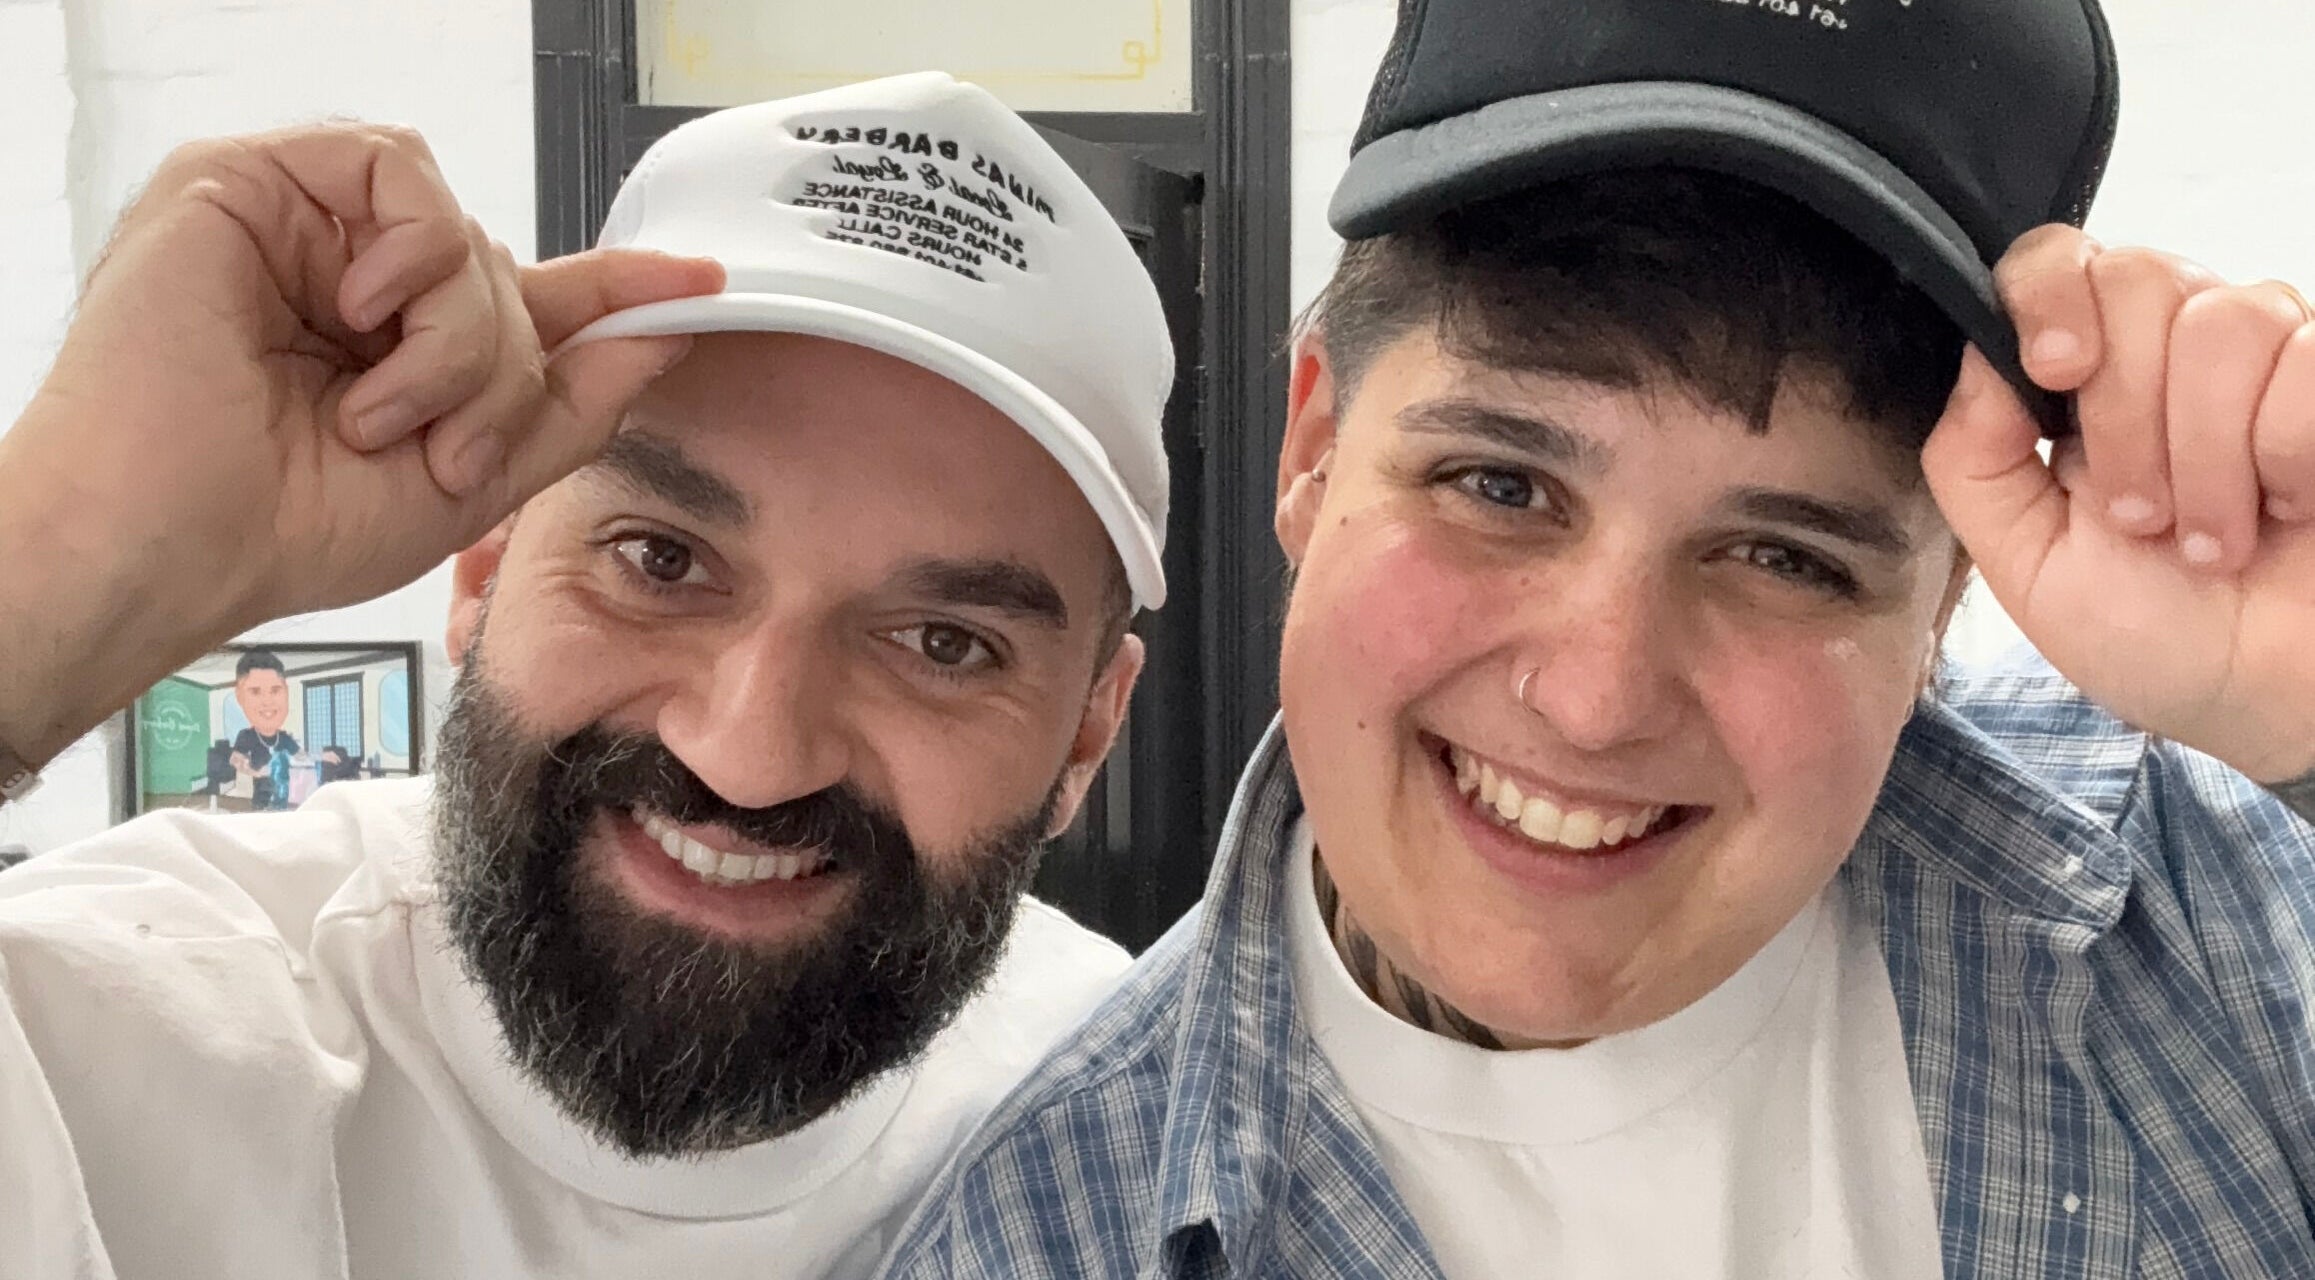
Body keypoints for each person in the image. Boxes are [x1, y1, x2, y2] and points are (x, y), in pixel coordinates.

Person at [879, 2, 2315, 1277]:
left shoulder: (2221, 905)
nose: (1592, 700)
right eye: (1497, 486)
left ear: (1937, 602)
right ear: (1311, 449)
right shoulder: (1046, 1231)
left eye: (1782, 558)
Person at [0, 72, 1174, 1278]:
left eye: (943, 642)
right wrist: (52, 570)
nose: (748, 751)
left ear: (1087, 736)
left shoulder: (1149, 1142)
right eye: (660, 560)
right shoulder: (88, 1039)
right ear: (485, 562)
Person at [227, 648, 301, 809]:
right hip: (261, 801)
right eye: (255, 692)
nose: (267, 702)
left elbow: (302, 756)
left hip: (283, 799)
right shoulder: (247, 736)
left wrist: (320, 755)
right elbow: (235, 759)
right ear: (240, 697)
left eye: (275, 691)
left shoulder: (285, 738)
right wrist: (255, 772)